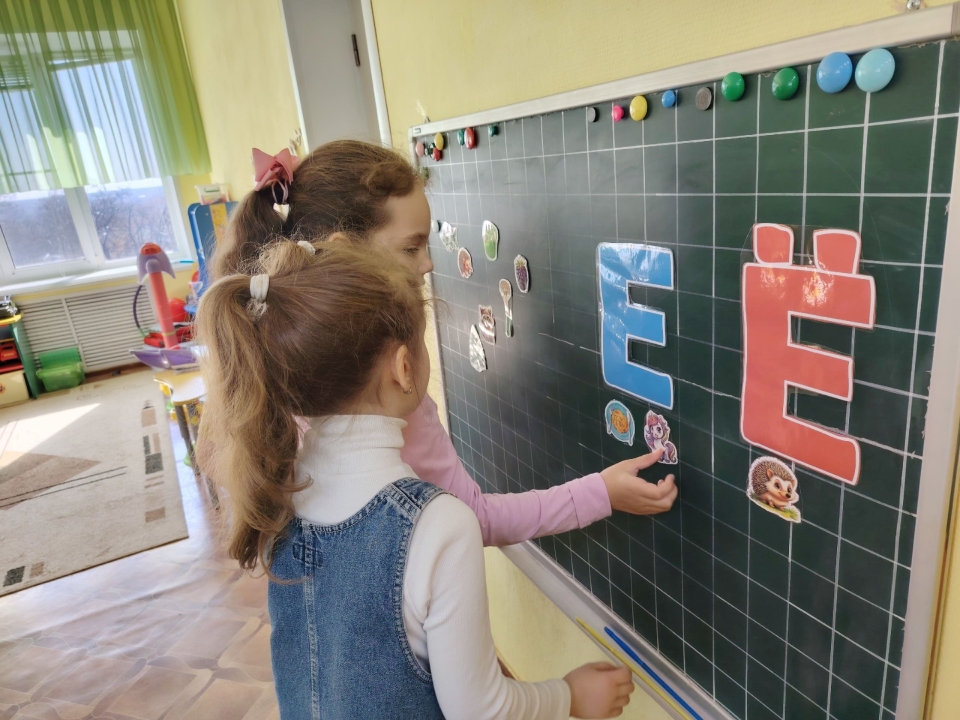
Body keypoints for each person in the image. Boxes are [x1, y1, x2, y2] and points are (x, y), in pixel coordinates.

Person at [196, 239, 635, 719]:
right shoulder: (438, 524)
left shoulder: (275, 491)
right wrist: (568, 696)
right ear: (404, 369)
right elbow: (481, 711)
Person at [212, 141, 677, 547]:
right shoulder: (391, 393)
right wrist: (600, 493)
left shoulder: (279, 359)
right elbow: (472, 518)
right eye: (411, 247)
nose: (428, 265)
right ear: (345, 249)